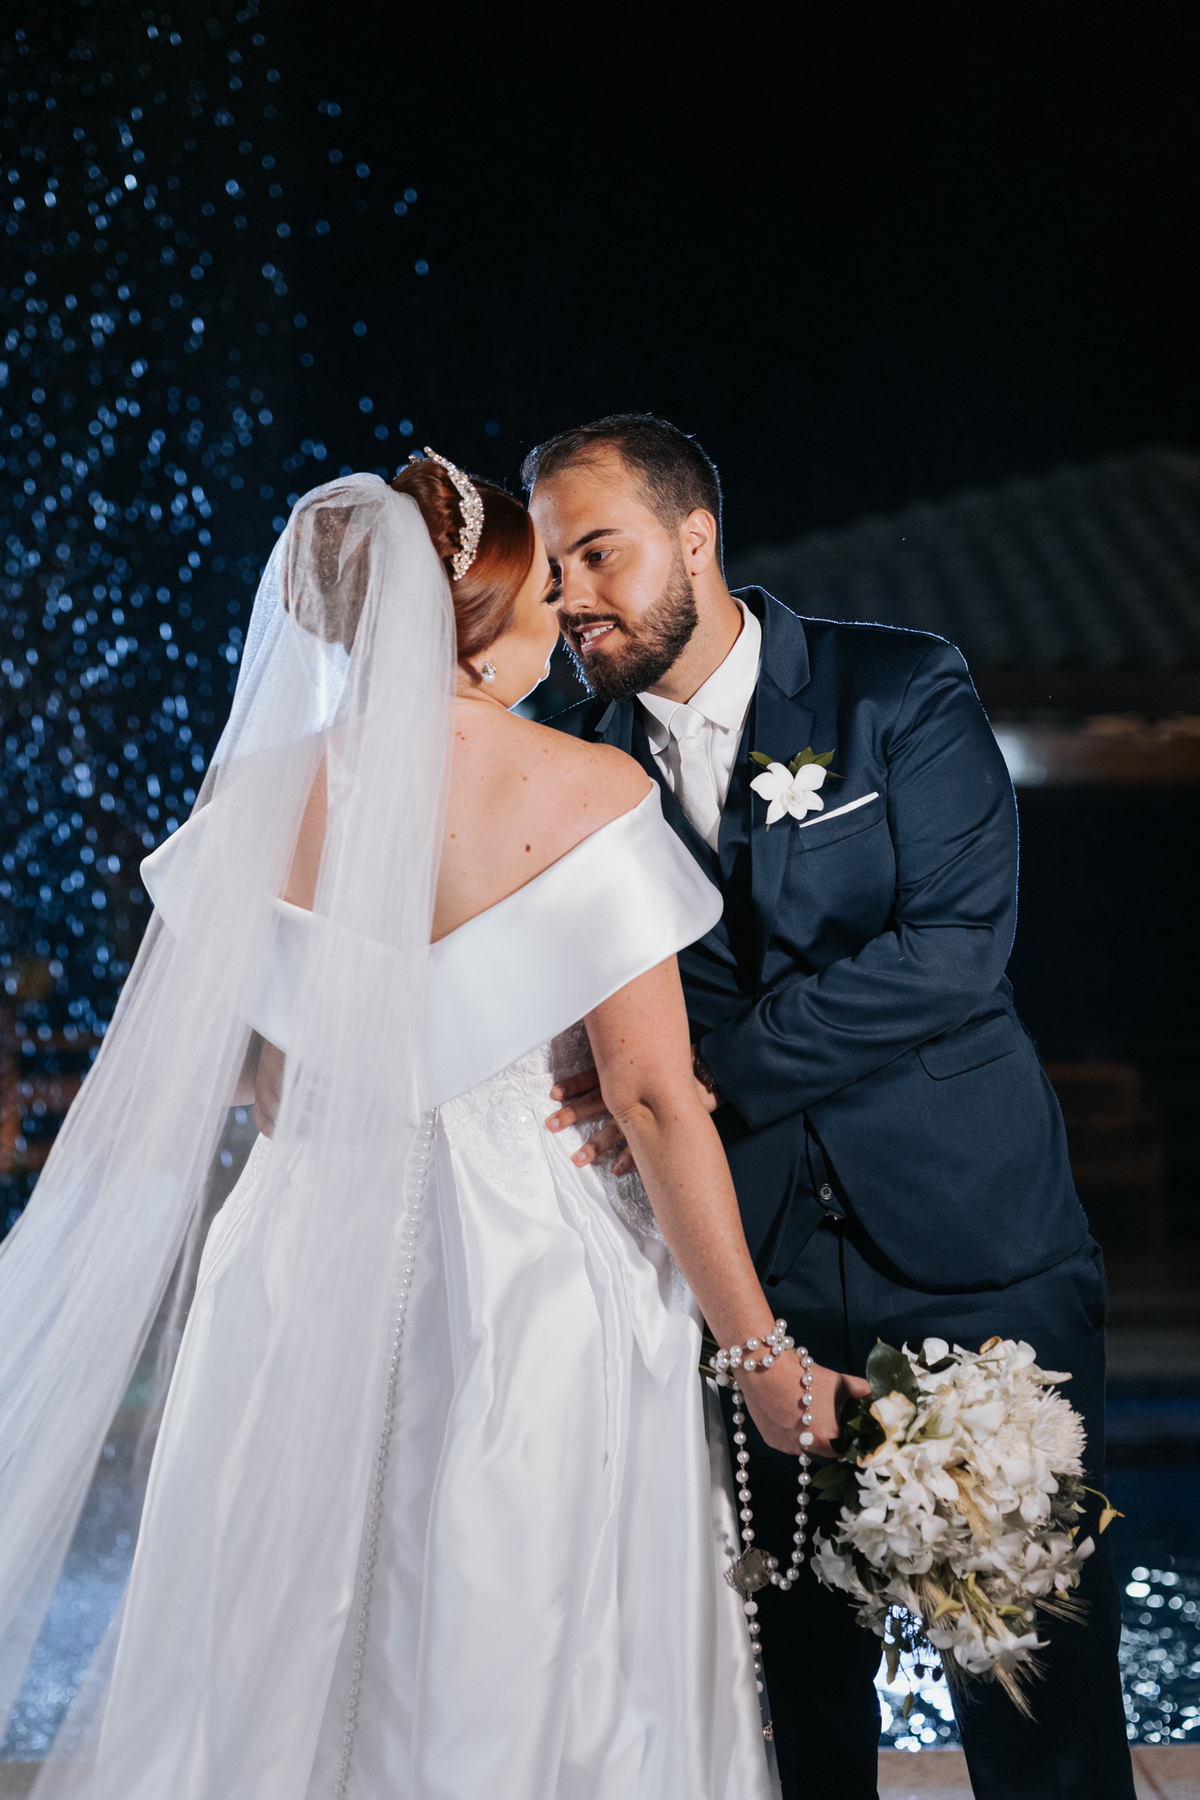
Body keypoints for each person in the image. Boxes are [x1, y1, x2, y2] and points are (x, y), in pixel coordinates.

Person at [0, 457, 863, 1799]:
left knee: (280, 1608)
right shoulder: (590, 791)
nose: (563, 615)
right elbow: (648, 1099)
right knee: (517, 1615)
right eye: (545, 589)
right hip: (533, 1258)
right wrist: (758, 1350)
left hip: (299, 1249)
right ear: (484, 613)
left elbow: (228, 1070)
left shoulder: (257, 797)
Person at [526, 413, 1135, 1800]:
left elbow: (952, 951)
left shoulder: (896, 689)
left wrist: (698, 1077)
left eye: (598, 554)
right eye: (553, 569)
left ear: (695, 538)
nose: (569, 598)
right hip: (748, 1284)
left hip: (978, 1250)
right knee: (789, 1693)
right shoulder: (565, 752)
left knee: (1036, 1683)